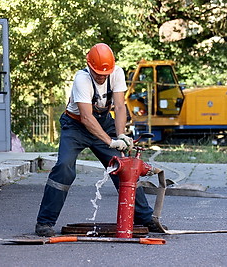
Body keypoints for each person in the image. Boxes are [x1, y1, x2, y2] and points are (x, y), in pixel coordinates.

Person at [35, 43, 163, 236]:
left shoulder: (116, 73)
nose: (102, 77)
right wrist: (110, 142)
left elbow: (120, 107)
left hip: (104, 123)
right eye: (98, 73)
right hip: (76, 126)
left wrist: (120, 135)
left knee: (124, 168)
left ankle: (144, 218)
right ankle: (44, 223)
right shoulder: (82, 79)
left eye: (105, 73)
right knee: (64, 168)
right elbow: (86, 117)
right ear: (89, 66)